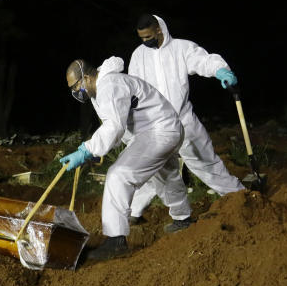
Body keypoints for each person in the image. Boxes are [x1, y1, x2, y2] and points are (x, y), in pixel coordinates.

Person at [60, 57, 191, 261]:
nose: (76, 92)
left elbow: (114, 127)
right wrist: (94, 153)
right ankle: (184, 219)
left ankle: (115, 241)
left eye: (76, 86)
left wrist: (87, 149)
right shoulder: (103, 87)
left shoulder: (109, 85)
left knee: (118, 175)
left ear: (86, 77)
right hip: (163, 128)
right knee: (165, 174)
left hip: (159, 131)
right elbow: (121, 127)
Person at [127, 14, 245, 227]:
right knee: (154, 170)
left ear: (159, 31)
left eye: (148, 37)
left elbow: (203, 60)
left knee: (206, 164)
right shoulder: (138, 56)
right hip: (155, 126)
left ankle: (241, 199)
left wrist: (220, 70)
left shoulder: (181, 49)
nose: (145, 42)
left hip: (183, 121)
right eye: (141, 38)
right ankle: (146, 212)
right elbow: (134, 88)